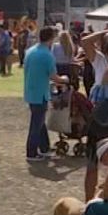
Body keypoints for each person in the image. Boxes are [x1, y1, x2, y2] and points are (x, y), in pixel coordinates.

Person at [24, 26, 68, 162]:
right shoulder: (47, 55)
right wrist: (65, 79)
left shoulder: (30, 51)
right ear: (51, 38)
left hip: (31, 91)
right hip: (40, 93)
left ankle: (44, 147)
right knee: (36, 124)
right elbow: (54, 77)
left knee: (39, 121)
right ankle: (31, 152)